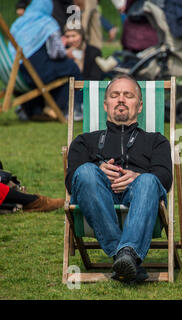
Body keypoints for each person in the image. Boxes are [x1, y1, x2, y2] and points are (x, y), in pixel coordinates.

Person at [65, 74, 173, 284]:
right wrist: (97, 170)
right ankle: (126, 256)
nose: (121, 99)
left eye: (128, 95)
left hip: (140, 196)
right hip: (96, 196)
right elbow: (72, 179)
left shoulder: (156, 141)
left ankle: (124, 256)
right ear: (106, 105)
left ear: (139, 106)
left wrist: (138, 177)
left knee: (149, 181)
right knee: (86, 172)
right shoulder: (84, 141)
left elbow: (165, 178)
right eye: (115, 95)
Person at [8, 0, 83, 121]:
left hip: (17, 75)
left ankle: (33, 110)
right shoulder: (48, 23)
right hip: (36, 74)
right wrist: (67, 53)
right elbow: (56, 53)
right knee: (71, 67)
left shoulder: (18, 23)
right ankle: (74, 109)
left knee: (55, 68)